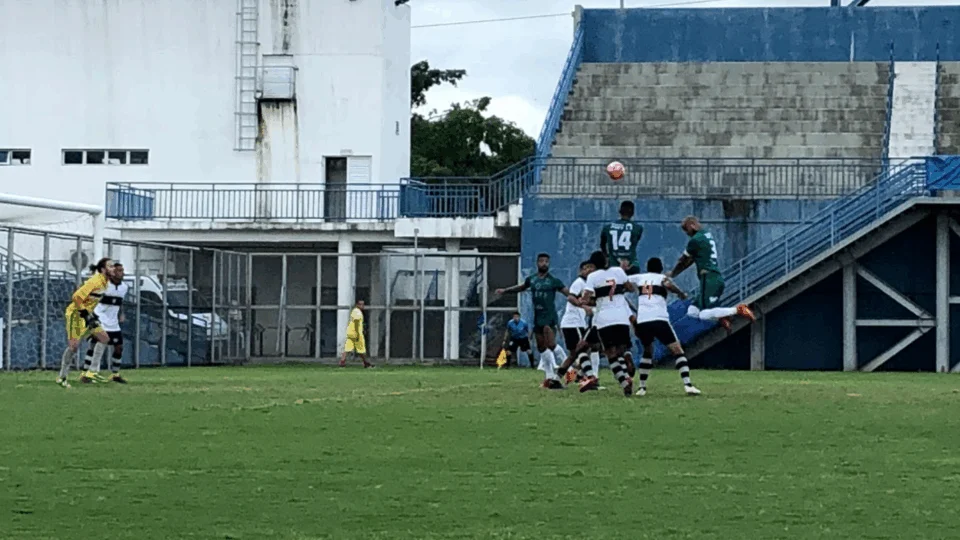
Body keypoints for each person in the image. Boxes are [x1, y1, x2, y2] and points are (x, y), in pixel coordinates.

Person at [496, 253, 580, 390]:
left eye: (546, 261)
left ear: (549, 264)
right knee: (541, 347)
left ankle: (570, 371)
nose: (544, 263)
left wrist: (579, 299)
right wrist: (505, 291)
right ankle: (549, 377)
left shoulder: (553, 281)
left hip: (549, 316)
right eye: (541, 261)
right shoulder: (532, 279)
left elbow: (567, 292)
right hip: (538, 317)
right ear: (537, 263)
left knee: (552, 344)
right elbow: (521, 287)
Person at [667, 215, 756, 331]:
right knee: (692, 312)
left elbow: (683, 260)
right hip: (711, 279)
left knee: (703, 315)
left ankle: (738, 309)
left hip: (709, 279)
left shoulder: (695, 240)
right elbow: (691, 260)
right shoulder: (706, 235)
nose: (687, 234)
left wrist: (672, 274)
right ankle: (720, 317)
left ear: (692, 225)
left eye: (686, 230)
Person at [629, 257, 701, 396]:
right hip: (659, 319)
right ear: (660, 268)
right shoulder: (661, 278)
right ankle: (688, 385)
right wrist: (680, 293)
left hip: (643, 321)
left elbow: (623, 281)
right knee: (677, 350)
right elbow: (668, 285)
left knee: (647, 352)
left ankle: (642, 388)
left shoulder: (639, 278)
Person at [580, 250, 635, 397]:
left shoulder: (591, 277)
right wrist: (619, 289)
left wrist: (585, 301)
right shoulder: (618, 271)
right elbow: (631, 287)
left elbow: (585, 298)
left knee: (587, 351)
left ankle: (622, 382)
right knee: (621, 349)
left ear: (592, 265)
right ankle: (627, 356)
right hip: (621, 317)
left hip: (603, 319)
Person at [57, 258, 116, 388]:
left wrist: (91, 314)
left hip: (86, 315)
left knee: (104, 338)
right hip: (76, 314)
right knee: (74, 347)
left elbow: (89, 298)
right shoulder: (95, 281)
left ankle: (92, 372)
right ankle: (62, 376)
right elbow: (77, 297)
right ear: (102, 269)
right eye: (110, 266)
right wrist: (84, 312)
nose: (113, 268)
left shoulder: (105, 282)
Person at [81, 262, 129, 384]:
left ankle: (115, 374)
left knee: (119, 347)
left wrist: (121, 313)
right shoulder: (104, 285)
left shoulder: (124, 287)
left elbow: (119, 302)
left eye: (122, 271)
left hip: (113, 322)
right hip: (100, 318)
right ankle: (87, 373)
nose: (121, 273)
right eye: (119, 270)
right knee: (97, 345)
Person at [559, 260, 601, 383]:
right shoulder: (579, 283)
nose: (589, 270)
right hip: (574, 323)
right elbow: (571, 297)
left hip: (579, 323)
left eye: (591, 267)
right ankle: (591, 378)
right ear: (581, 271)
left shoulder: (590, 285)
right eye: (586, 268)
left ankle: (558, 379)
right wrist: (584, 307)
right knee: (582, 350)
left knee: (578, 353)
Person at [600, 200, 644, 276]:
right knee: (632, 286)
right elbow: (635, 242)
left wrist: (607, 256)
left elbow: (602, 244)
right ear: (633, 213)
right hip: (631, 265)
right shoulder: (638, 228)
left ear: (619, 211)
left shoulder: (607, 227)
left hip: (613, 265)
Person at [339, 300, 372, 368]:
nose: (362, 306)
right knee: (361, 349)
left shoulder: (354, 311)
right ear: (357, 305)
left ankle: (342, 362)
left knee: (347, 348)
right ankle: (366, 363)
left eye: (363, 304)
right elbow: (356, 323)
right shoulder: (358, 313)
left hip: (350, 333)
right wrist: (357, 333)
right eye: (360, 304)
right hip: (356, 333)